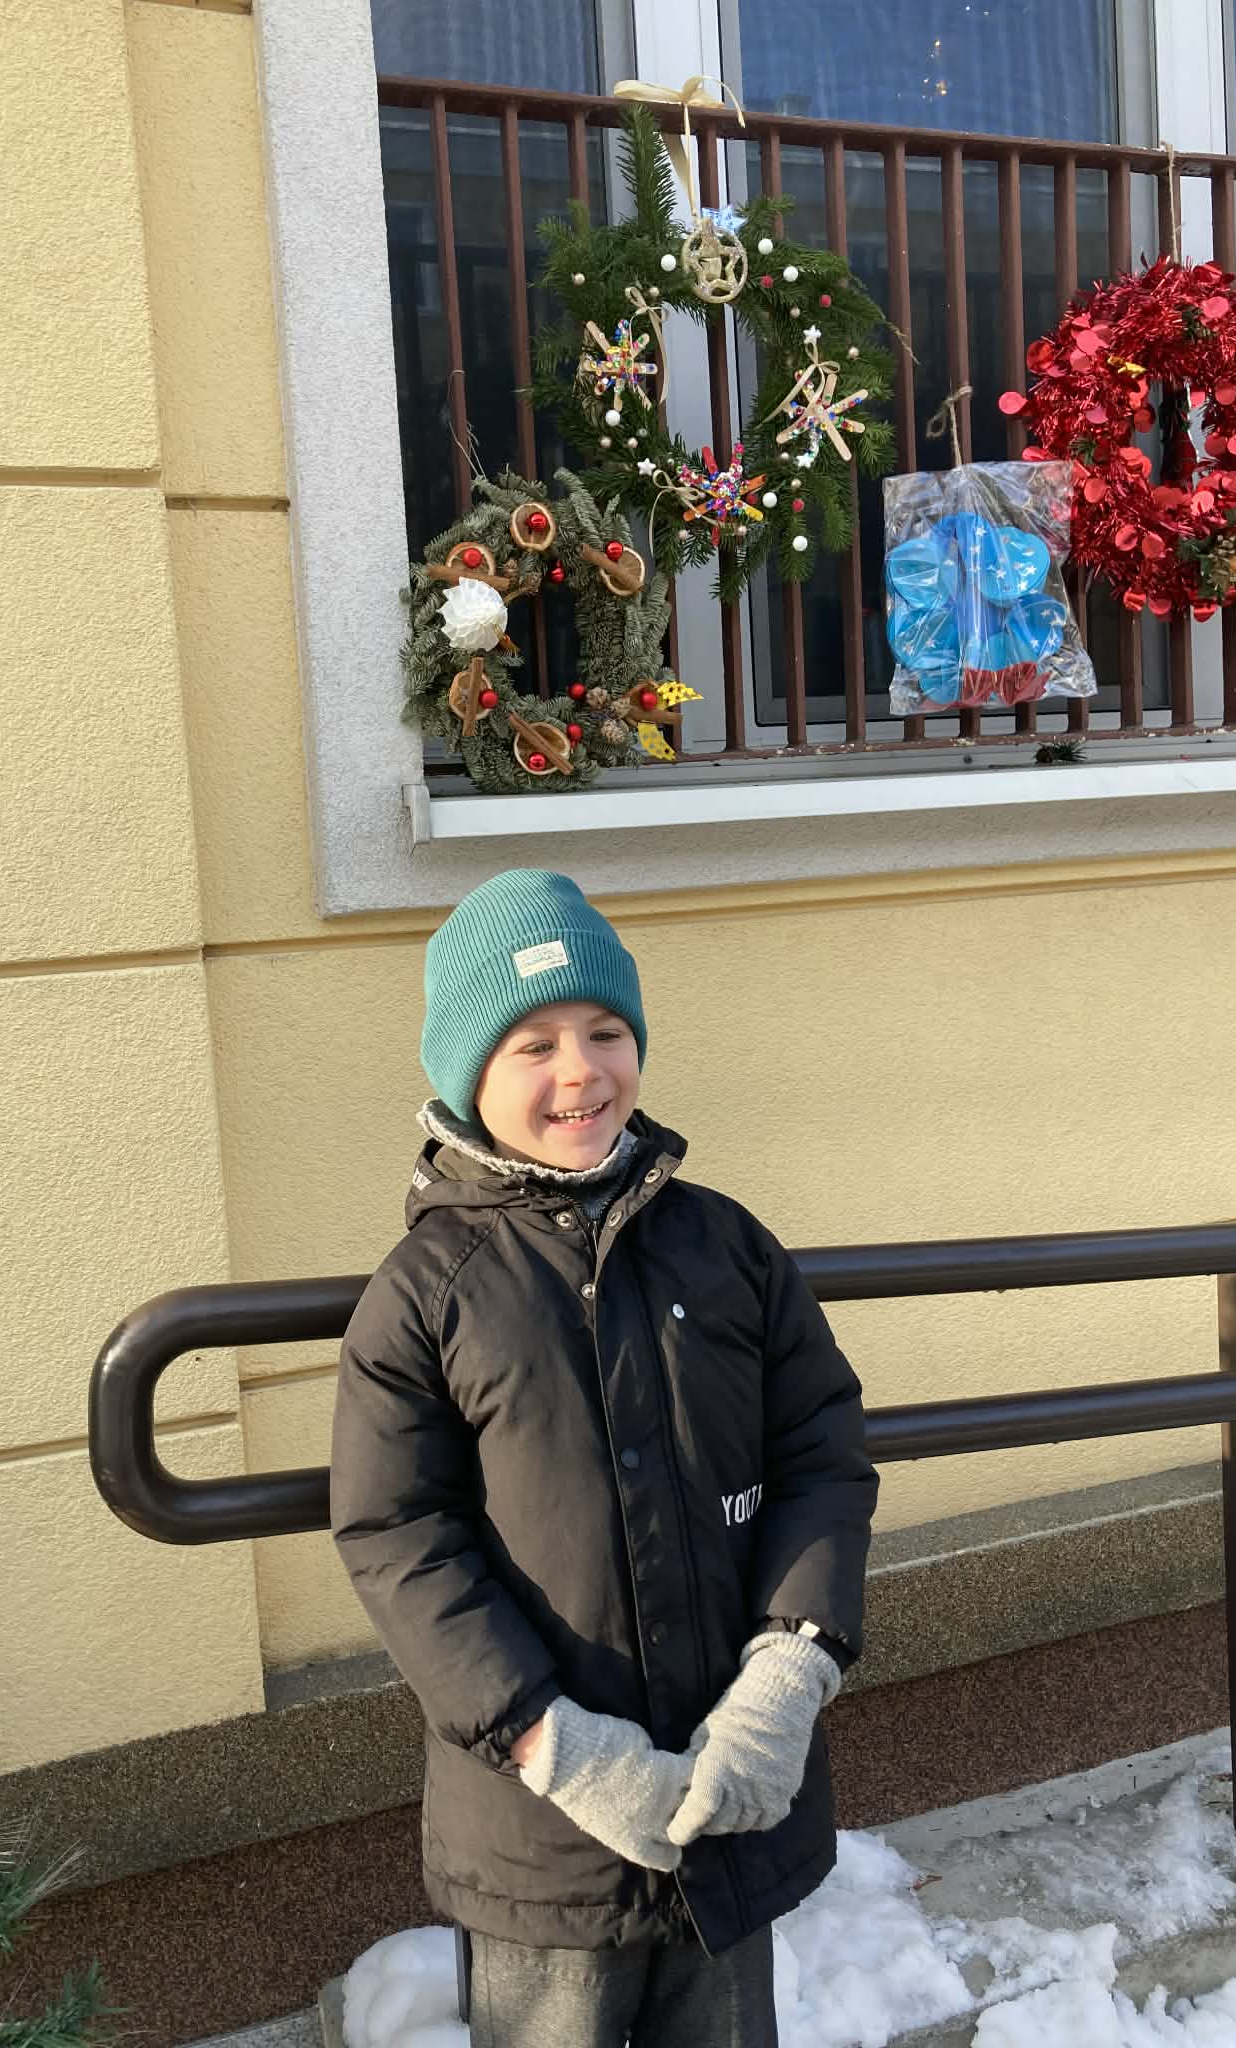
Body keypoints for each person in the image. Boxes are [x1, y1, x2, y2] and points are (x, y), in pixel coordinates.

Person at [329, 869, 878, 2048]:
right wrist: (551, 1741)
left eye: (604, 1031)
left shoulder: (727, 1245)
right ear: (468, 1074)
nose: (578, 1071)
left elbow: (821, 1451)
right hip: (545, 1834)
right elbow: (397, 1535)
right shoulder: (427, 1293)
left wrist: (789, 1673)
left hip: (728, 1792)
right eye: (533, 1043)